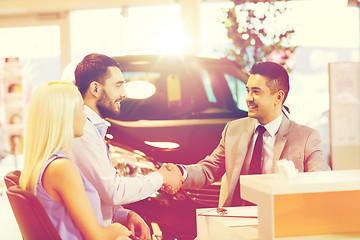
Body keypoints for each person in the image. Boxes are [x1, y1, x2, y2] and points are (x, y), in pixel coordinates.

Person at [165, 61, 331, 206]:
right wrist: (181, 173)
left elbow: (322, 181)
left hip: (280, 221)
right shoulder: (233, 130)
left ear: (278, 97)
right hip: (234, 219)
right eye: (248, 90)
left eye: (256, 92)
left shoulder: (306, 137)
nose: (248, 98)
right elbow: (209, 169)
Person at [71, 53, 183, 240]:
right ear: (95, 89)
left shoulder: (93, 128)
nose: (124, 94)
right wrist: (161, 177)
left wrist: (124, 215)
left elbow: (96, 192)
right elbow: (112, 191)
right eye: (118, 85)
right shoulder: (82, 131)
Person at [19, 81, 132, 240]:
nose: (85, 116)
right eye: (80, 109)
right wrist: (120, 230)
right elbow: (97, 236)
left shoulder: (44, 164)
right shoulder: (61, 168)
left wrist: (123, 216)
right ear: (64, 116)